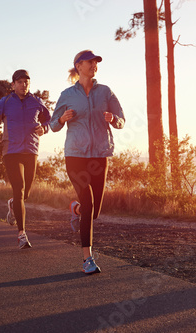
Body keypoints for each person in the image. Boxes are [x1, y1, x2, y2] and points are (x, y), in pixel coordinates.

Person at [50, 50, 125, 274]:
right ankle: (87, 259)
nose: (93, 65)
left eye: (95, 62)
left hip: (99, 155)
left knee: (94, 212)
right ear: (78, 66)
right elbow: (53, 124)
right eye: (89, 62)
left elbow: (122, 119)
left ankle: (76, 209)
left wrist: (114, 120)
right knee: (89, 202)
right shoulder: (67, 94)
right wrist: (62, 119)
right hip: (75, 155)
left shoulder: (105, 92)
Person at [0, 69, 51, 249]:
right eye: (20, 82)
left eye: (26, 82)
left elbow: (49, 119)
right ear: (13, 85)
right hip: (11, 150)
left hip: (31, 150)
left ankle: (13, 204)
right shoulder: (6, 102)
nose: (24, 85)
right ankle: (22, 234)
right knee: (19, 189)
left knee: (26, 193)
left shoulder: (36, 101)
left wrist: (44, 128)